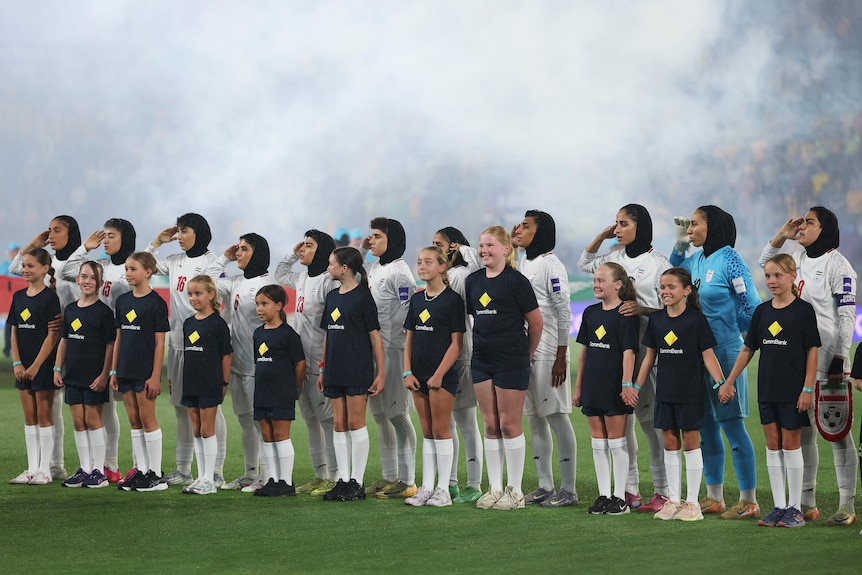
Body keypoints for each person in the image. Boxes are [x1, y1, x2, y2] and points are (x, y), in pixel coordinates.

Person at [758, 206, 858, 525]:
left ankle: (847, 504)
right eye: (800, 222)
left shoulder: (838, 265)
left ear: (824, 228)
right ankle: (807, 501)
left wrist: (841, 358)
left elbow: (845, 315)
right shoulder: (796, 260)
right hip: (795, 361)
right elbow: (765, 264)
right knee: (802, 432)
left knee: (836, 429)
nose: (801, 226)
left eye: (809, 222)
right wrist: (781, 236)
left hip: (827, 359)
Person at [577, 203, 671, 512]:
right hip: (615, 353)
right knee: (625, 422)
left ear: (640, 226)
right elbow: (584, 262)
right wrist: (603, 236)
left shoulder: (658, 263)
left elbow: (672, 308)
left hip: (648, 351)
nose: (617, 228)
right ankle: (628, 489)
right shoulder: (613, 257)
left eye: (623, 223)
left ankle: (663, 489)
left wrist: (642, 310)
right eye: (615, 223)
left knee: (651, 423)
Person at [670, 205, 761, 519]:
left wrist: (744, 341)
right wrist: (681, 243)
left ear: (713, 227)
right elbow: (669, 278)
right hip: (698, 356)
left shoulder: (731, 260)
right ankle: (714, 497)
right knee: (705, 426)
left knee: (732, 427)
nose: (690, 228)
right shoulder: (696, 260)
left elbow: (751, 306)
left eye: (694, 224)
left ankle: (749, 500)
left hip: (724, 353)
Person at [719, 255, 820, 528]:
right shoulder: (762, 312)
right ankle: (778, 506)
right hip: (767, 389)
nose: (772, 281)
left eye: (777, 275)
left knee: (790, 446)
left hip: (793, 391)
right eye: (768, 276)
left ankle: (796, 509)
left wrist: (808, 388)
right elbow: (748, 349)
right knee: (772, 446)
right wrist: (729, 381)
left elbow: (812, 351)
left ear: (791, 276)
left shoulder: (803, 311)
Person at [628, 267, 726, 522]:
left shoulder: (696, 320)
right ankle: (673, 500)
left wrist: (722, 383)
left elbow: (708, 355)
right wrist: (635, 386)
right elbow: (649, 357)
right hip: (665, 392)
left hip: (690, 392)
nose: (665, 291)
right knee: (670, 444)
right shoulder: (658, 320)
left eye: (671, 287)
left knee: (691, 445)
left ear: (686, 290)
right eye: (662, 287)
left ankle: (692, 503)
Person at [148, 213, 227, 487]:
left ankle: (215, 470)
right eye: (178, 231)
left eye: (185, 231)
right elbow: (144, 266)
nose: (179, 236)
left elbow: (220, 297)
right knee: (182, 407)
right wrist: (157, 241)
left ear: (199, 232)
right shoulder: (174, 261)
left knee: (210, 409)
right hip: (178, 344)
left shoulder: (212, 263)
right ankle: (183, 469)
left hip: (205, 347)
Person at [467, 226, 543, 510]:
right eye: (481, 245)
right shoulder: (473, 281)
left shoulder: (516, 281)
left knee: (509, 424)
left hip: (512, 361)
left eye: (490, 245)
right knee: (490, 424)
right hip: (482, 361)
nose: (484, 250)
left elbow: (536, 324)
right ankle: (495, 487)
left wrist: (526, 354)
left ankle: (515, 491)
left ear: (505, 249)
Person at [512, 210, 579, 508]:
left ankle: (568, 489)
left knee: (556, 417)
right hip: (526, 352)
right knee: (535, 419)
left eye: (526, 226)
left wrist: (562, 354)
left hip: (550, 352)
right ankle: (544, 485)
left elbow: (564, 310)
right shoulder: (525, 262)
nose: (519, 229)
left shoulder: (552, 265)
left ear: (540, 232)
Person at [11, 216, 85, 480]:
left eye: (57, 230)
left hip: (70, 339)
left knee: (72, 405)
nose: (51, 234)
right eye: (50, 230)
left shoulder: (78, 261)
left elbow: (87, 287)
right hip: (49, 337)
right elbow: (16, 267)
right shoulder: (32, 277)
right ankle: (49, 465)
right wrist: (33, 244)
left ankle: (97, 463)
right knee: (49, 408)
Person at [63, 218, 137, 483]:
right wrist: (86, 247)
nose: (105, 240)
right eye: (104, 235)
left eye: (111, 236)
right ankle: (105, 466)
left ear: (125, 238)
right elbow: (66, 270)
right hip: (90, 346)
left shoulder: (131, 267)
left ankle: (135, 466)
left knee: (130, 409)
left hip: (120, 343)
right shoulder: (100, 265)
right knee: (104, 411)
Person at [209, 233, 276, 492]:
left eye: (244, 249)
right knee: (245, 420)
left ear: (257, 253)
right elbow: (210, 280)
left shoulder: (267, 285)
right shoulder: (236, 282)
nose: (238, 252)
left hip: (260, 367)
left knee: (262, 422)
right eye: (238, 248)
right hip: (238, 364)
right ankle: (250, 473)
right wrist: (224, 258)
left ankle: (268, 477)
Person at [318, 247, 385, 502]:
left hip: (357, 368)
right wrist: (323, 368)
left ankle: (357, 482)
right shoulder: (332, 296)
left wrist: (381, 373)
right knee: (339, 423)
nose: (328, 268)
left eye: (331, 264)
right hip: (334, 368)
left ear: (344, 268)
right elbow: (328, 334)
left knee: (356, 423)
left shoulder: (363, 297)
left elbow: (375, 336)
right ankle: (342, 480)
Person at [275, 230, 339, 495]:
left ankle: (335, 475)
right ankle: (319, 473)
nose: (303, 250)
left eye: (309, 245)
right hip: (300, 361)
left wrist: (327, 360)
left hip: (322, 361)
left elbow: (335, 325)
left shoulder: (328, 282)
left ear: (322, 251)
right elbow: (279, 274)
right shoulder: (301, 278)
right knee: (310, 418)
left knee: (327, 420)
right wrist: (294, 252)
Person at [574, 263, 640, 515]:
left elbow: (629, 353)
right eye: (594, 280)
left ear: (618, 285)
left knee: (616, 442)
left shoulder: (625, 315)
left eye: (602, 280)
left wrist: (626, 384)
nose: (596, 284)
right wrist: (579, 387)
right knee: (598, 443)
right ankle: (603, 495)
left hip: (615, 386)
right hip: (592, 386)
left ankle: (619, 498)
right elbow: (584, 352)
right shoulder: (590, 313)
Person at [403, 246, 466, 507]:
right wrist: (407, 371)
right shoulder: (417, 300)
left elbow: (456, 343)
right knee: (427, 430)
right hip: (417, 375)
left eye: (428, 262)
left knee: (441, 430)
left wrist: (439, 374)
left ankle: (443, 489)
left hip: (442, 377)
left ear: (442, 267)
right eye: (419, 262)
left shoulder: (452, 300)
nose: (422, 266)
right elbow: (409, 338)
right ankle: (426, 487)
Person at [361, 217, 418, 498]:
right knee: (381, 415)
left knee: (398, 414)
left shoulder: (400, 273)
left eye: (377, 236)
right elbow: (349, 272)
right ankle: (389, 475)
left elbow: (411, 314)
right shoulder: (373, 268)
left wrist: (409, 357)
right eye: (371, 236)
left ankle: (408, 481)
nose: (372, 240)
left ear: (391, 240)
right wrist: (362, 250)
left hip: (395, 350)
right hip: (375, 351)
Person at [110, 251, 170, 492]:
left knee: (148, 419)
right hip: (125, 369)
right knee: (134, 421)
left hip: (145, 372)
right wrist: (114, 370)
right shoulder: (122, 301)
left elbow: (159, 343)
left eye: (133, 269)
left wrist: (155, 375)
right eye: (126, 269)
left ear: (148, 272)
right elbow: (119, 338)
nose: (128, 273)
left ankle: (155, 474)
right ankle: (142, 471)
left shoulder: (156, 303)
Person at [432, 226, 483, 503]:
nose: (435, 248)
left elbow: (477, 266)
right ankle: (449, 482)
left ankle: (473, 483)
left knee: (465, 420)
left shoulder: (462, 275)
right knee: (447, 422)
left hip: (461, 353)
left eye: (439, 244)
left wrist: (461, 248)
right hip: (439, 355)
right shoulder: (441, 276)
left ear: (453, 247)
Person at [54, 261, 116, 489]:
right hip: (74, 375)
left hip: (94, 376)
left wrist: (104, 375)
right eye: (84, 276)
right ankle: (85, 469)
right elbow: (64, 341)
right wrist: (57, 368)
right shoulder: (70, 309)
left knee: (92, 419)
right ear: (77, 280)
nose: (87, 281)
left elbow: (110, 345)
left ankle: (99, 470)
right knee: (78, 422)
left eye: (93, 277)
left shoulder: (104, 312)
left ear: (100, 283)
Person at [9, 248, 61, 485]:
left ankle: (45, 470)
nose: (25, 270)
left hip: (43, 365)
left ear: (44, 268)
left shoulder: (51, 298)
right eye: (24, 266)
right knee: (29, 417)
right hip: (23, 366)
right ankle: (30, 469)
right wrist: (18, 363)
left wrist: (37, 366)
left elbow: (53, 335)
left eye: (31, 266)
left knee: (44, 415)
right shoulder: (18, 296)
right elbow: (14, 330)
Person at [251, 285, 305, 497]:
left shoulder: (288, 334)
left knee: (281, 436)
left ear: (279, 305)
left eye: (264, 304)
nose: (259, 309)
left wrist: (296, 388)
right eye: (257, 304)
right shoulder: (257, 333)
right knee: (267, 435)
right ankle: (273, 479)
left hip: (281, 392)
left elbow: (300, 364)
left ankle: (286, 482)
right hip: (262, 392)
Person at [181, 275, 233, 496]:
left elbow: (226, 356)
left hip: (209, 382)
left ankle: (210, 479)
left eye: (198, 293)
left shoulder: (218, 324)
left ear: (211, 295)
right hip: (191, 382)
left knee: (207, 429)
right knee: (196, 430)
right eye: (190, 294)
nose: (193, 298)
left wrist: (223, 382)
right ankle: (201, 477)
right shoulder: (189, 323)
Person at [2, 242, 21, 357]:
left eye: (16, 251)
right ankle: (8, 348)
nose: (14, 253)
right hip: (7, 302)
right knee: (9, 326)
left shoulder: (23, 265)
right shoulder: (4, 267)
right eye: (12, 251)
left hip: (20, 301)